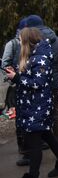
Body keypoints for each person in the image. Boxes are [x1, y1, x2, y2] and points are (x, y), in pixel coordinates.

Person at [6, 27, 58, 178]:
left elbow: (37, 82)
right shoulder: (35, 56)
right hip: (34, 105)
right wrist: (16, 73)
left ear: (27, 41)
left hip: (37, 105)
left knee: (35, 141)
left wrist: (18, 78)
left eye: (20, 40)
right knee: (46, 134)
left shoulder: (40, 57)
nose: (19, 43)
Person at [23, 15, 58, 156]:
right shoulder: (56, 39)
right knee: (55, 112)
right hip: (54, 81)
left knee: (37, 114)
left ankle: (37, 152)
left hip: (36, 83)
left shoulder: (31, 39)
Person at [2, 18, 27, 164]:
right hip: (16, 85)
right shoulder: (12, 44)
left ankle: (33, 143)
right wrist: (12, 74)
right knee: (20, 115)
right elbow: (5, 63)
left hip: (29, 83)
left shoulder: (30, 43)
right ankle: (22, 145)